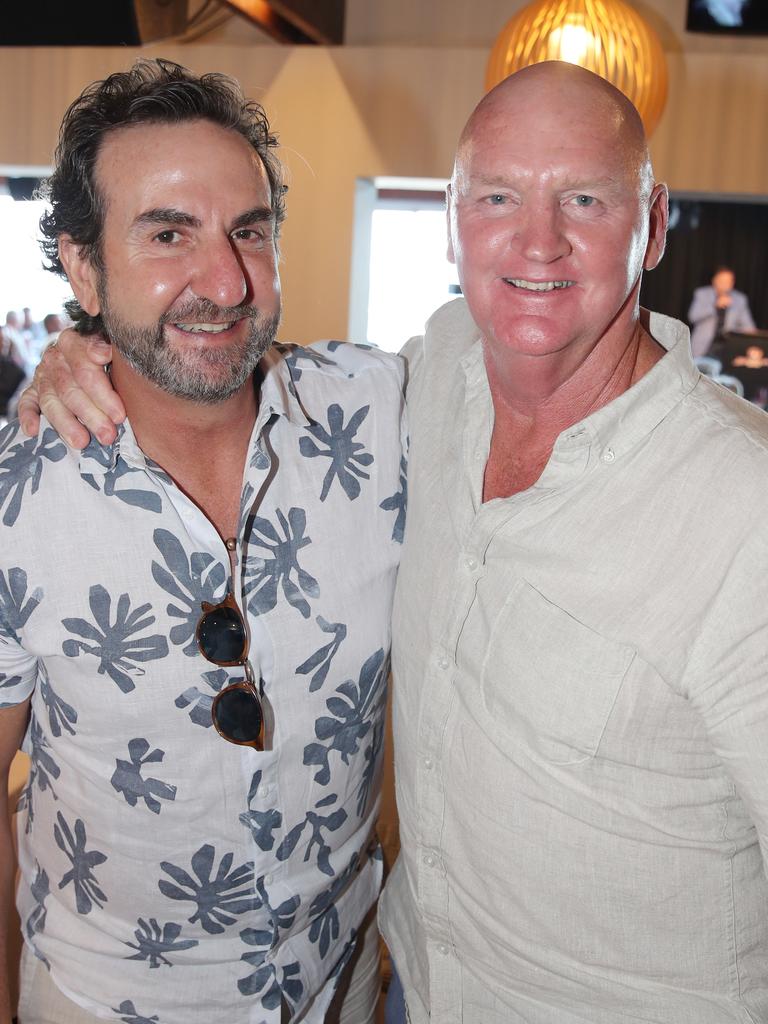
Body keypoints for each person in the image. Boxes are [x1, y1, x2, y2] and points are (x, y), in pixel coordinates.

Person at [20, 61, 768, 1023]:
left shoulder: (736, 502)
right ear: (455, 220)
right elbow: (198, 348)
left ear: (655, 223)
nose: (537, 240)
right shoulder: (430, 385)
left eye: (583, 197)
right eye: (498, 196)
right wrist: (83, 348)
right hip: (355, 987)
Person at [0, 59, 406, 1024]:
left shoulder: (384, 415)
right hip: (104, 1000)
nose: (223, 280)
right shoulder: (18, 494)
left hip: (342, 984)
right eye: (167, 234)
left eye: (249, 232)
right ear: (84, 266)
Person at [688, 265, 756, 357]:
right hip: (703, 347)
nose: (725, 284)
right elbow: (693, 317)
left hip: (727, 347)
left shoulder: (740, 299)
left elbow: (748, 327)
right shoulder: (702, 294)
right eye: (722, 281)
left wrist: (755, 343)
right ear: (714, 281)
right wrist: (714, 306)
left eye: (728, 281)